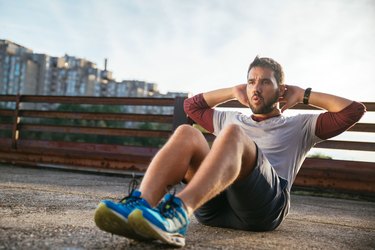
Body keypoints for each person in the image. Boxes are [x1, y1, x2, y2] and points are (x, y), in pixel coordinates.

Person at [94, 56, 366, 247]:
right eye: (251, 81)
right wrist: (232, 91)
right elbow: (192, 107)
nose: (256, 88)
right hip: (214, 207)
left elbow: (353, 111)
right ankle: (141, 206)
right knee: (187, 133)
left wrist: (303, 95)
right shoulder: (231, 116)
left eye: (265, 82)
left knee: (234, 134)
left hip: (263, 209)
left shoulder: (301, 125)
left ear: (281, 89)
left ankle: (178, 212)